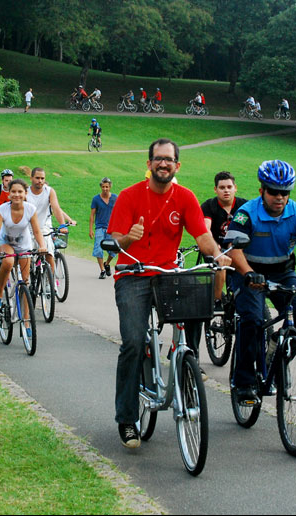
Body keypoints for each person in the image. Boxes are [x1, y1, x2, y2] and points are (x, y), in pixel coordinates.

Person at [106, 138, 230, 448]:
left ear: (177, 165)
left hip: (167, 275)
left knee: (194, 315)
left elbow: (203, 237)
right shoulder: (130, 197)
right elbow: (114, 240)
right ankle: (127, 419)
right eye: (158, 159)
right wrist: (129, 238)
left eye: (169, 160)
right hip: (132, 274)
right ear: (148, 165)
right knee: (134, 342)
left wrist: (217, 255)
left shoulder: (185, 197)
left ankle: (185, 360)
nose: (163, 164)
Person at [224, 160, 296, 404]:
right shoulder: (247, 213)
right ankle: (244, 381)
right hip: (249, 270)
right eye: (273, 191)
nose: (279, 197)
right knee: (253, 321)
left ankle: (278, 351)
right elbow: (234, 251)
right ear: (261, 191)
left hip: (282, 271)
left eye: (285, 192)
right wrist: (247, 273)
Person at [0, 179, 47, 324]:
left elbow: (37, 231)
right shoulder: (2, 210)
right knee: (8, 261)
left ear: (25, 194)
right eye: (13, 191)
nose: (16, 195)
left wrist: (42, 246)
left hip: (23, 244)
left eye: (20, 192)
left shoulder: (30, 209)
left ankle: (26, 320)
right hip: (5, 242)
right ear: (9, 193)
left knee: (25, 282)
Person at [201, 171, 248, 307]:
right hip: (216, 249)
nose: (226, 191)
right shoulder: (209, 206)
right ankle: (217, 301)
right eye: (222, 188)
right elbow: (206, 229)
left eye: (229, 187)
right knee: (221, 264)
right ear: (216, 190)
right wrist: (215, 248)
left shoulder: (244, 206)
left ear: (235, 188)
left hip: (238, 249)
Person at [27, 166, 75, 282]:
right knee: (26, 258)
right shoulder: (25, 192)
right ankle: (27, 282)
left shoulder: (49, 191)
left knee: (49, 254)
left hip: (43, 227)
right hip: (27, 228)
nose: (40, 181)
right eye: (37, 178)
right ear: (31, 178)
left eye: (42, 178)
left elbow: (56, 208)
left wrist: (62, 225)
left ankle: (50, 282)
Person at [89, 177, 118, 279]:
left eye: (107, 187)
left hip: (112, 228)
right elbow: (92, 215)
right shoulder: (96, 199)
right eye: (103, 187)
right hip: (99, 228)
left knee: (114, 249)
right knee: (98, 248)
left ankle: (107, 263)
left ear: (110, 187)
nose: (105, 189)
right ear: (101, 187)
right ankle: (102, 270)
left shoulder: (115, 198)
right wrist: (91, 229)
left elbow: (119, 212)